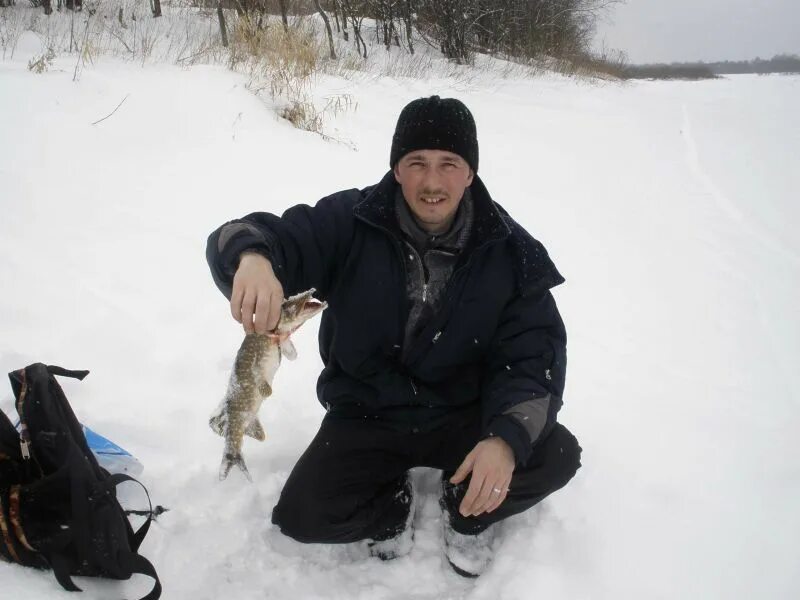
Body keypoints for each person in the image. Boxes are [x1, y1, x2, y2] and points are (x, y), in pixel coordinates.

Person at [206, 96, 581, 577]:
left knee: (554, 453)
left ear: (471, 174)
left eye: (449, 164)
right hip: (370, 411)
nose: (431, 182)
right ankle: (389, 511)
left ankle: (466, 509)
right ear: (396, 169)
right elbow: (249, 232)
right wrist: (252, 257)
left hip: (462, 413)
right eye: (416, 163)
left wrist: (504, 441)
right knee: (302, 516)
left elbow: (534, 357)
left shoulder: (511, 252)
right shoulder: (350, 221)